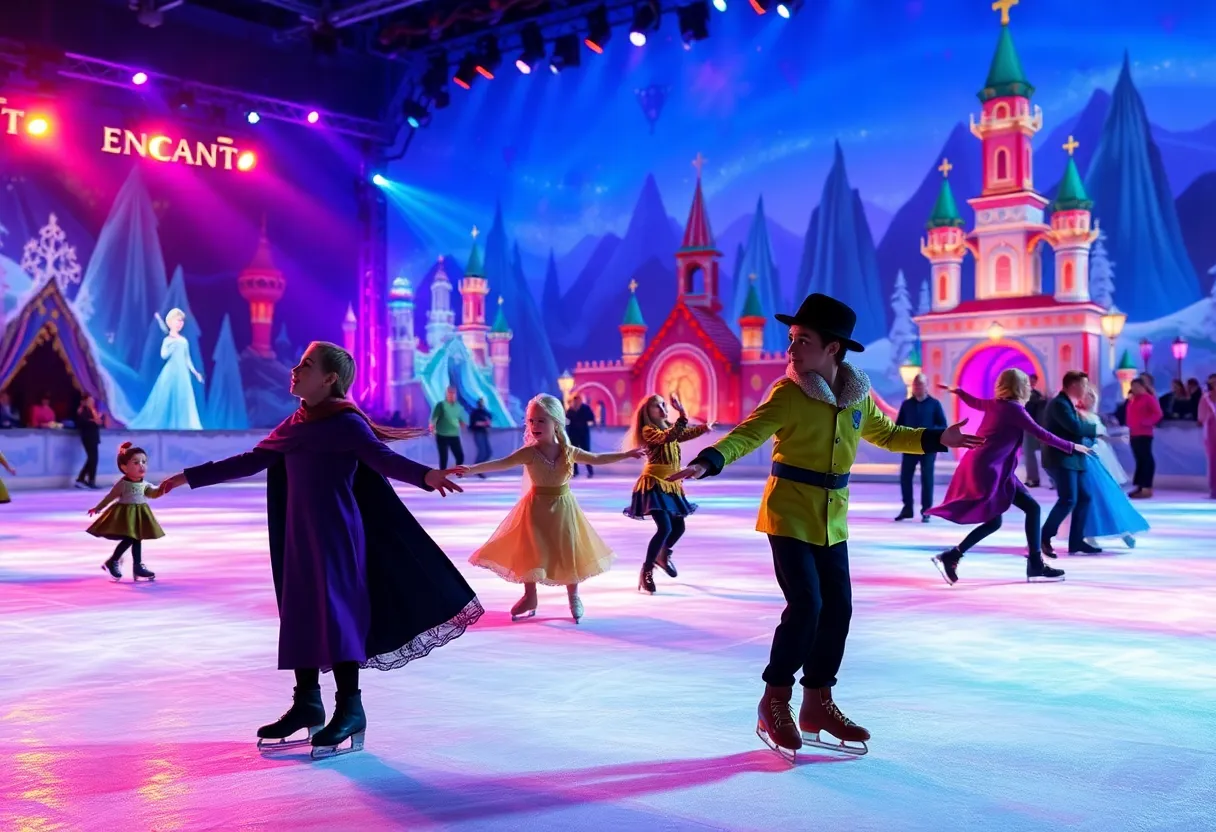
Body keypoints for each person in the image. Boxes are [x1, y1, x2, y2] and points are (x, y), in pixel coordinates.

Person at [669, 293, 982, 758]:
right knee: (807, 604)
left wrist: (940, 437)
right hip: (789, 514)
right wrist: (709, 461)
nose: (792, 349)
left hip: (832, 520)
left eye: (804, 341)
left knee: (839, 607)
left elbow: (890, 435)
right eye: (792, 339)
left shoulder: (857, 397)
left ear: (833, 348)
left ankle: (817, 701)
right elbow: (748, 433)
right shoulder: (788, 393)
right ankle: (775, 699)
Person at [159, 341, 478, 758]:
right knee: (300, 615)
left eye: (306, 365)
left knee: (339, 616)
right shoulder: (294, 424)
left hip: (338, 537)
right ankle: (307, 701)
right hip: (299, 536)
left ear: (329, 379)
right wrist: (185, 477)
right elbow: (248, 461)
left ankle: (350, 708)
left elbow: (383, 459)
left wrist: (427, 475)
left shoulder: (346, 424)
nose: (295, 369)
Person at [462, 393, 646, 623]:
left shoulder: (568, 452)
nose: (535, 425)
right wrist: (468, 470)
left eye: (541, 420)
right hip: (535, 508)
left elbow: (597, 458)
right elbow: (499, 463)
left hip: (563, 508)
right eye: (531, 421)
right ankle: (530, 595)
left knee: (567, 550)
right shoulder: (529, 452)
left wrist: (626, 454)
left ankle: (574, 595)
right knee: (530, 551)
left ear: (556, 422)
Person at [928, 371, 1087, 584]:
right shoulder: (1014, 409)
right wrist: (1072, 446)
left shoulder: (996, 404)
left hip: (991, 467)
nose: (1030, 389)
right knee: (1025, 511)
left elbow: (976, 402)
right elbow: (1041, 434)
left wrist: (958, 391)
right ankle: (1034, 564)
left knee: (1008, 517)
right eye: (1027, 385)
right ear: (1021, 387)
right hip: (989, 469)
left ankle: (953, 556)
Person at [623, 393, 713, 594]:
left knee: (679, 527)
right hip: (654, 484)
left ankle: (663, 555)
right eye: (657, 406)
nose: (663, 409)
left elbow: (683, 434)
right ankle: (647, 570)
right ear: (648, 412)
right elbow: (669, 436)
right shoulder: (649, 431)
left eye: (664, 405)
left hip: (672, 484)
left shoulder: (668, 428)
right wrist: (682, 413)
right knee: (664, 527)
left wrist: (703, 428)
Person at [1077, 385, 1147, 549]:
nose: (1091, 399)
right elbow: (1091, 437)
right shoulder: (1080, 416)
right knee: (1094, 497)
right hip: (1089, 459)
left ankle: (1124, 531)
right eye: (1088, 396)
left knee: (1111, 495)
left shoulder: (1094, 417)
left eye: (1093, 396)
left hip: (1102, 458)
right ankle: (1090, 534)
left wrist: (1113, 439)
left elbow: (1102, 437)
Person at [1039, 371, 1101, 557]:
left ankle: (1076, 541)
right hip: (1061, 459)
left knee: (1084, 497)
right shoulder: (1059, 404)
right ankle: (1043, 537)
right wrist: (1095, 427)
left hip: (1073, 459)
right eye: (1083, 385)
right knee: (1068, 499)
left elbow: (1077, 427)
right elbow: (1075, 427)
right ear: (1072, 385)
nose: (1086, 389)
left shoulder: (1068, 404)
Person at [87, 442, 166, 582]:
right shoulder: (122, 484)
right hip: (125, 514)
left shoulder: (144, 483)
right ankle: (114, 561)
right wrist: (98, 508)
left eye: (144, 462)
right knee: (131, 537)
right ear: (124, 467)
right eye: (136, 462)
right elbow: (110, 497)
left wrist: (164, 488)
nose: (141, 465)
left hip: (141, 513)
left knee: (137, 538)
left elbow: (153, 493)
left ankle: (137, 566)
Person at [128, 309, 205, 430]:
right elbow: (163, 355)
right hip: (170, 372)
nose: (180, 323)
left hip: (183, 374)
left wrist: (195, 373)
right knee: (166, 397)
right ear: (171, 322)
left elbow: (187, 359)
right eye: (178, 320)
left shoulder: (184, 341)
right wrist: (171, 347)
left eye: (181, 321)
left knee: (183, 398)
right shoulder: (168, 340)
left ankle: (184, 424)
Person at [894, 373, 947, 522]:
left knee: (927, 479)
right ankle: (907, 508)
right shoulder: (907, 404)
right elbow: (899, 425)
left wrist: (930, 434)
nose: (917, 388)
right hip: (909, 446)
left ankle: (927, 510)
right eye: (915, 385)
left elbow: (942, 425)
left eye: (920, 385)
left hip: (928, 447)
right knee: (905, 477)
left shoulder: (934, 404)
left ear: (926, 387)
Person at [1126, 376, 1163, 499]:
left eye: (1136, 386)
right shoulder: (1133, 399)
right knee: (1139, 460)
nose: (1134, 389)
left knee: (1146, 459)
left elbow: (1158, 414)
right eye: (1132, 387)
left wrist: (1145, 422)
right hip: (1134, 433)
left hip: (1144, 433)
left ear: (1142, 387)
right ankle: (1140, 486)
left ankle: (1147, 486)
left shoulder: (1148, 398)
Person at [430, 386, 467, 470]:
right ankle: (442, 475)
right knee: (443, 456)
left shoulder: (458, 407)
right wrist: (432, 429)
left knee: (460, 455)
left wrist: (463, 424)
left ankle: (458, 472)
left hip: (454, 435)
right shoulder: (441, 405)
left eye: (453, 394)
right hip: (442, 434)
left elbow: (461, 420)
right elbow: (434, 419)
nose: (452, 395)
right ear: (446, 395)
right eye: (449, 394)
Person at [1022, 373, 1046, 487]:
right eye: (1031, 380)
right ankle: (1031, 477)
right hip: (1027, 427)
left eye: (1034, 381)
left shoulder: (1037, 395)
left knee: (1032, 454)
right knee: (1028, 454)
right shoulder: (1023, 394)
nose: (1032, 382)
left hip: (1035, 428)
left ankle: (1035, 478)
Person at [566, 394, 597, 478]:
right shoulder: (571, 409)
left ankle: (590, 471)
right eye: (575, 400)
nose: (576, 402)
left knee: (586, 453)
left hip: (583, 434)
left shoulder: (585, 408)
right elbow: (567, 419)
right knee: (574, 453)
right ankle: (575, 471)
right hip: (573, 434)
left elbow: (591, 417)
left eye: (578, 400)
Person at [76, 394, 103, 489]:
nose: (91, 403)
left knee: (93, 459)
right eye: (89, 401)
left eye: (92, 401)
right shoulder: (82, 411)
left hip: (94, 437)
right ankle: (85, 479)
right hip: (87, 437)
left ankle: (86, 479)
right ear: (84, 401)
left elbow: (98, 422)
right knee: (92, 458)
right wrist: (93, 421)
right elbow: (83, 423)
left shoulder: (92, 411)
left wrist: (96, 420)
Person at [1198, 374, 1216, 499]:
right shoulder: (1206, 398)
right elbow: (1201, 417)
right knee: (1213, 460)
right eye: (1212, 383)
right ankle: (1214, 488)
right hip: (1211, 431)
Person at [468, 397, 493, 478]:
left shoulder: (485, 412)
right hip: (478, 432)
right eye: (480, 402)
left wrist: (487, 423)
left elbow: (489, 420)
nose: (481, 404)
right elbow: (473, 423)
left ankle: (478, 468)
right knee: (482, 452)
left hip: (484, 432)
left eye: (482, 402)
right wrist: (482, 423)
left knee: (488, 452)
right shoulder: (475, 413)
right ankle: (476, 469)